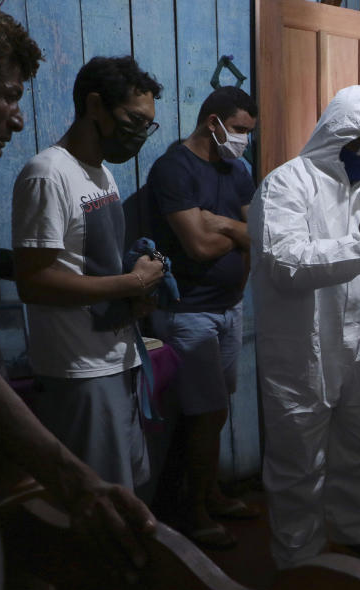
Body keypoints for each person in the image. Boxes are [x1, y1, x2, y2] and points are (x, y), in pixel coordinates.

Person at [0, 5, 155, 590]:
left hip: (118, 360)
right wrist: (129, 282)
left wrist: (135, 285)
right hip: (79, 371)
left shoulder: (101, 174)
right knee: (90, 524)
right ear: (93, 107)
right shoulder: (46, 173)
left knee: (126, 495)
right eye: (133, 121)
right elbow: (36, 280)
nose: (141, 134)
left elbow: (87, 267)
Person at [249, 85, 360, 568]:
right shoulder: (286, 185)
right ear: (334, 137)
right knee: (297, 459)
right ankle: (298, 555)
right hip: (301, 350)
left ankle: (354, 529)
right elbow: (285, 263)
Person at [146, 86, 258, 550]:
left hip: (230, 307)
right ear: (211, 122)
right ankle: (192, 513)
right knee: (202, 412)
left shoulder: (239, 170)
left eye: (248, 133)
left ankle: (209, 493)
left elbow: (259, 235)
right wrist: (237, 234)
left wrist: (225, 225)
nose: (243, 141)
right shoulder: (173, 169)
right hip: (188, 311)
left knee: (214, 412)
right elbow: (196, 246)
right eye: (238, 130)